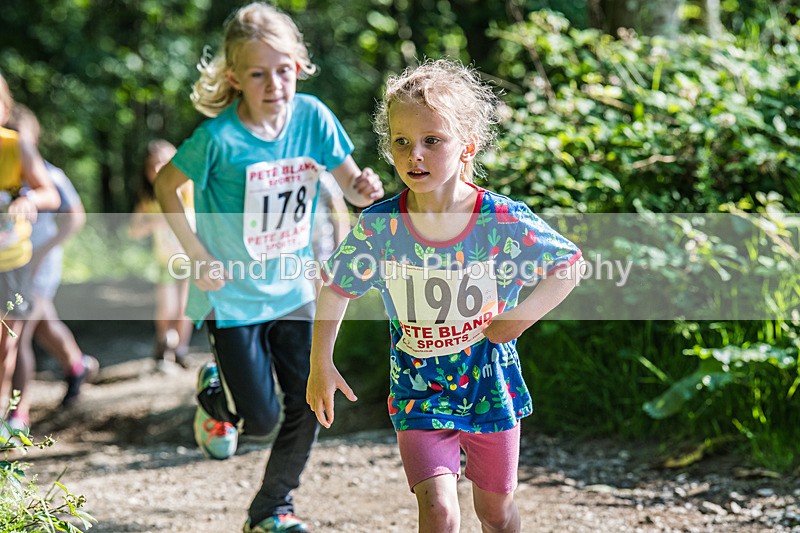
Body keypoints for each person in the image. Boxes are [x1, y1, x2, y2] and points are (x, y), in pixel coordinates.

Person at [306, 59, 584, 533]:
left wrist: (521, 316)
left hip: (489, 389)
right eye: (402, 141)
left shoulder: (499, 219)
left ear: (467, 147)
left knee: (495, 512)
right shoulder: (381, 226)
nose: (415, 154)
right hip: (418, 391)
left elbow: (568, 265)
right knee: (437, 510)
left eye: (432, 141)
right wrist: (320, 363)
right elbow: (335, 287)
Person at [153, 3, 383, 532]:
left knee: (309, 399)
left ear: (298, 64)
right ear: (235, 77)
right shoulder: (218, 139)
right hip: (231, 294)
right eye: (258, 74)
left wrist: (363, 188)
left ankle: (271, 508)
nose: (275, 84)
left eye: (284, 70)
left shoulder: (313, 118)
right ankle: (217, 393)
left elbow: (348, 182)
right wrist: (197, 253)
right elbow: (168, 185)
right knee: (259, 419)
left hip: (293, 287)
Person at [6, 105, 98, 430]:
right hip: (15, 264)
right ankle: (77, 364)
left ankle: (19, 412)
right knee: (42, 323)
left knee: (19, 334)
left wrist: (45, 250)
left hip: (39, 264)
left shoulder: (50, 174)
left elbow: (75, 216)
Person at [0, 72, 60, 422]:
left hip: (11, 262)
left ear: (5, 110)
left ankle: (8, 415)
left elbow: (50, 193)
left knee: (7, 346)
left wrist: (29, 199)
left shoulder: (16, 147)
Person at [129, 139, 194, 370]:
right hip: (164, 261)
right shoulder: (150, 199)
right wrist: (154, 222)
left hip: (189, 261)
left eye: (163, 164)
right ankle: (164, 343)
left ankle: (180, 349)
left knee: (186, 306)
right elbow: (134, 230)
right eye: (152, 166)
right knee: (167, 306)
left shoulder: (190, 191)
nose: (157, 170)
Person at [311, 171, 350, 292]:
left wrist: (340, 252)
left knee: (321, 286)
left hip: (322, 244)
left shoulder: (323, 178)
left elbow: (340, 214)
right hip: (297, 246)